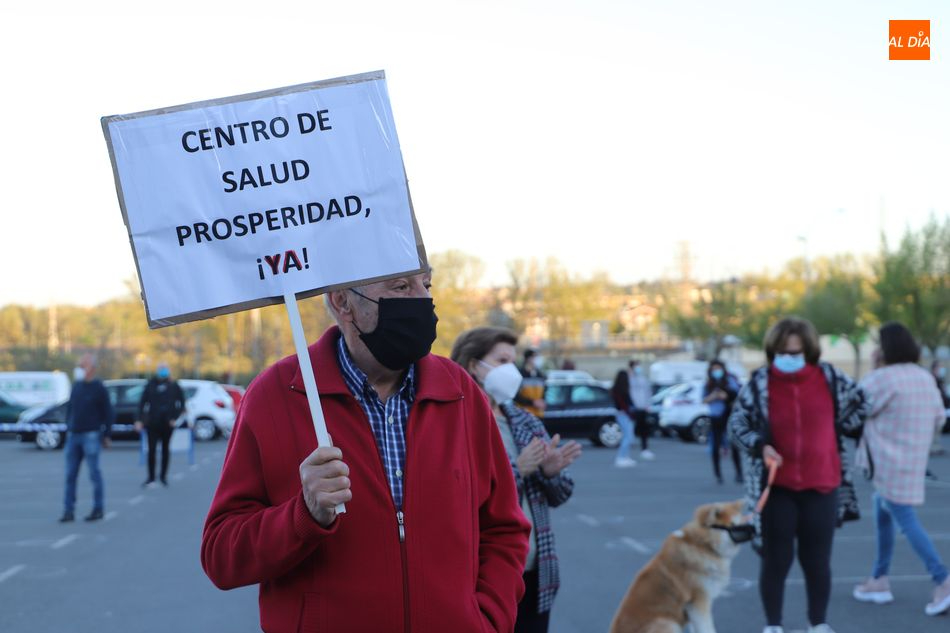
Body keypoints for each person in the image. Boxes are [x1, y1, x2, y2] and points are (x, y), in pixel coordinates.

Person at [201, 271, 530, 633]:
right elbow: (221, 555)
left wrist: (488, 620)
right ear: (342, 302)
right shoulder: (275, 394)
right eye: (401, 287)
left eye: (427, 285)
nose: (422, 299)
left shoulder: (459, 391)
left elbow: (503, 529)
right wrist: (303, 515)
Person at [729, 316, 868, 633]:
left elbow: (863, 403)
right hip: (777, 487)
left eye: (795, 353)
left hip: (823, 484)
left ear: (809, 351)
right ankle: (773, 625)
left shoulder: (830, 378)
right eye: (782, 352)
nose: (788, 359)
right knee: (776, 559)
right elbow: (736, 427)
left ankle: (818, 623)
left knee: (817, 560)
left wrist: (841, 428)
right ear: (772, 351)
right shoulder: (759, 384)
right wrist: (760, 446)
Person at [451, 327, 581, 633]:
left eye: (513, 360)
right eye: (501, 360)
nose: (511, 369)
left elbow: (561, 494)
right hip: (482, 571)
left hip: (534, 568)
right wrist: (516, 471)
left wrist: (551, 473)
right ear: (473, 364)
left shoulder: (523, 420)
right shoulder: (455, 418)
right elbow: (454, 491)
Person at [852, 323, 950, 616]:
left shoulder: (881, 378)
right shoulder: (924, 377)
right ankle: (879, 578)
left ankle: (942, 580)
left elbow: (856, 407)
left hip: (887, 462)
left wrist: (872, 368)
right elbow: (938, 417)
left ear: (885, 349)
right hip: (913, 461)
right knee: (882, 509)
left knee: (904, 518)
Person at [60, 354, 114, 523]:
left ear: (92, 368)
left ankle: (98, 509)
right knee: (70, 475)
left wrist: (106, 435)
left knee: (94, 474)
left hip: (91, 434)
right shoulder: (76, 386)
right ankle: (68, 510)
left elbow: (108, 412)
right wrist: (68, 426)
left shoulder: (99, 388)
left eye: (82, 365)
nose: (79, 368)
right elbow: (70, 408)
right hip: (74, 435)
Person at [136, 362, 186, 487]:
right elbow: (142, 403)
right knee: (151, 450)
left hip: (168, 424)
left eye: (165, 369)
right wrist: (139, 420)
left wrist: (174, 418)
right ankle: (151, 477)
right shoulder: (150, 384)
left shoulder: (174, 385)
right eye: (161, 369)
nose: (163, 371)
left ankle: (163, 476)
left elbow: (182, 405)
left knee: (165, 449)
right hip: (153, 422)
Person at [703, 359, 741, 484]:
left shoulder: (730, 380)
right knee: (716, 446)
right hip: (715, 417)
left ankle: (739, 472)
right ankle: (718, 474)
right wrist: (713, 396)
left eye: (718, 369)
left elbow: (737, 394)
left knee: (734, 445)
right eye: (714, 369)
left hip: (729, 415)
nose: (716, 371)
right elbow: (704, 400)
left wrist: (726, 395)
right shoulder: (708, 384)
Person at [627, 360, 654, 460]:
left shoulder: (643, 379)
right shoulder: (629, 379)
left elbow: (648, 392)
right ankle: (626, 452)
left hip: (643, 408)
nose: (638, 368)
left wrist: (648, 405)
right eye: (636, 366)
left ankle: (645, 450)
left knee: (644, 430)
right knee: (630, 429)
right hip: (633, 408)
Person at [611, 370, 637, 468]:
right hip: (624, 414)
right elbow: (624, 404)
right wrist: (630, 413)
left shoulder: (618, 389)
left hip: (622, 414)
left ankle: (625, 456)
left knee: (627, 436)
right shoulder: (621, 390)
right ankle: (621, 457)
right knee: (628, 437)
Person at [516, 349, 547, 417]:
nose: (537, 359)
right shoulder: (519, 374)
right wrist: (532, 402)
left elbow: (544, 392)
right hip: (524, 414)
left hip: (538, 414)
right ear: (528, 358)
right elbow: (515, 396)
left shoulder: (540, 375)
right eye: (535, 357)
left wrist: (542, 401)